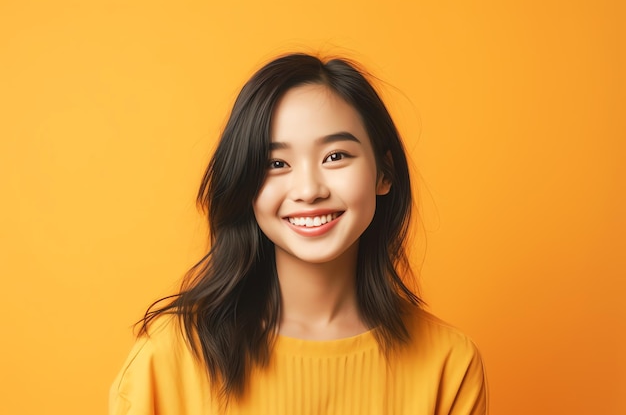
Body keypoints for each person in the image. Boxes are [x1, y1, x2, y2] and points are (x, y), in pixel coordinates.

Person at [109, 53, 488, 415]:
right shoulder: (170, 356)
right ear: (245, 184)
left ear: (384, 174)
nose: (309, 190)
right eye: (276, 163)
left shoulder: (448, 363)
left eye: (336, 156)